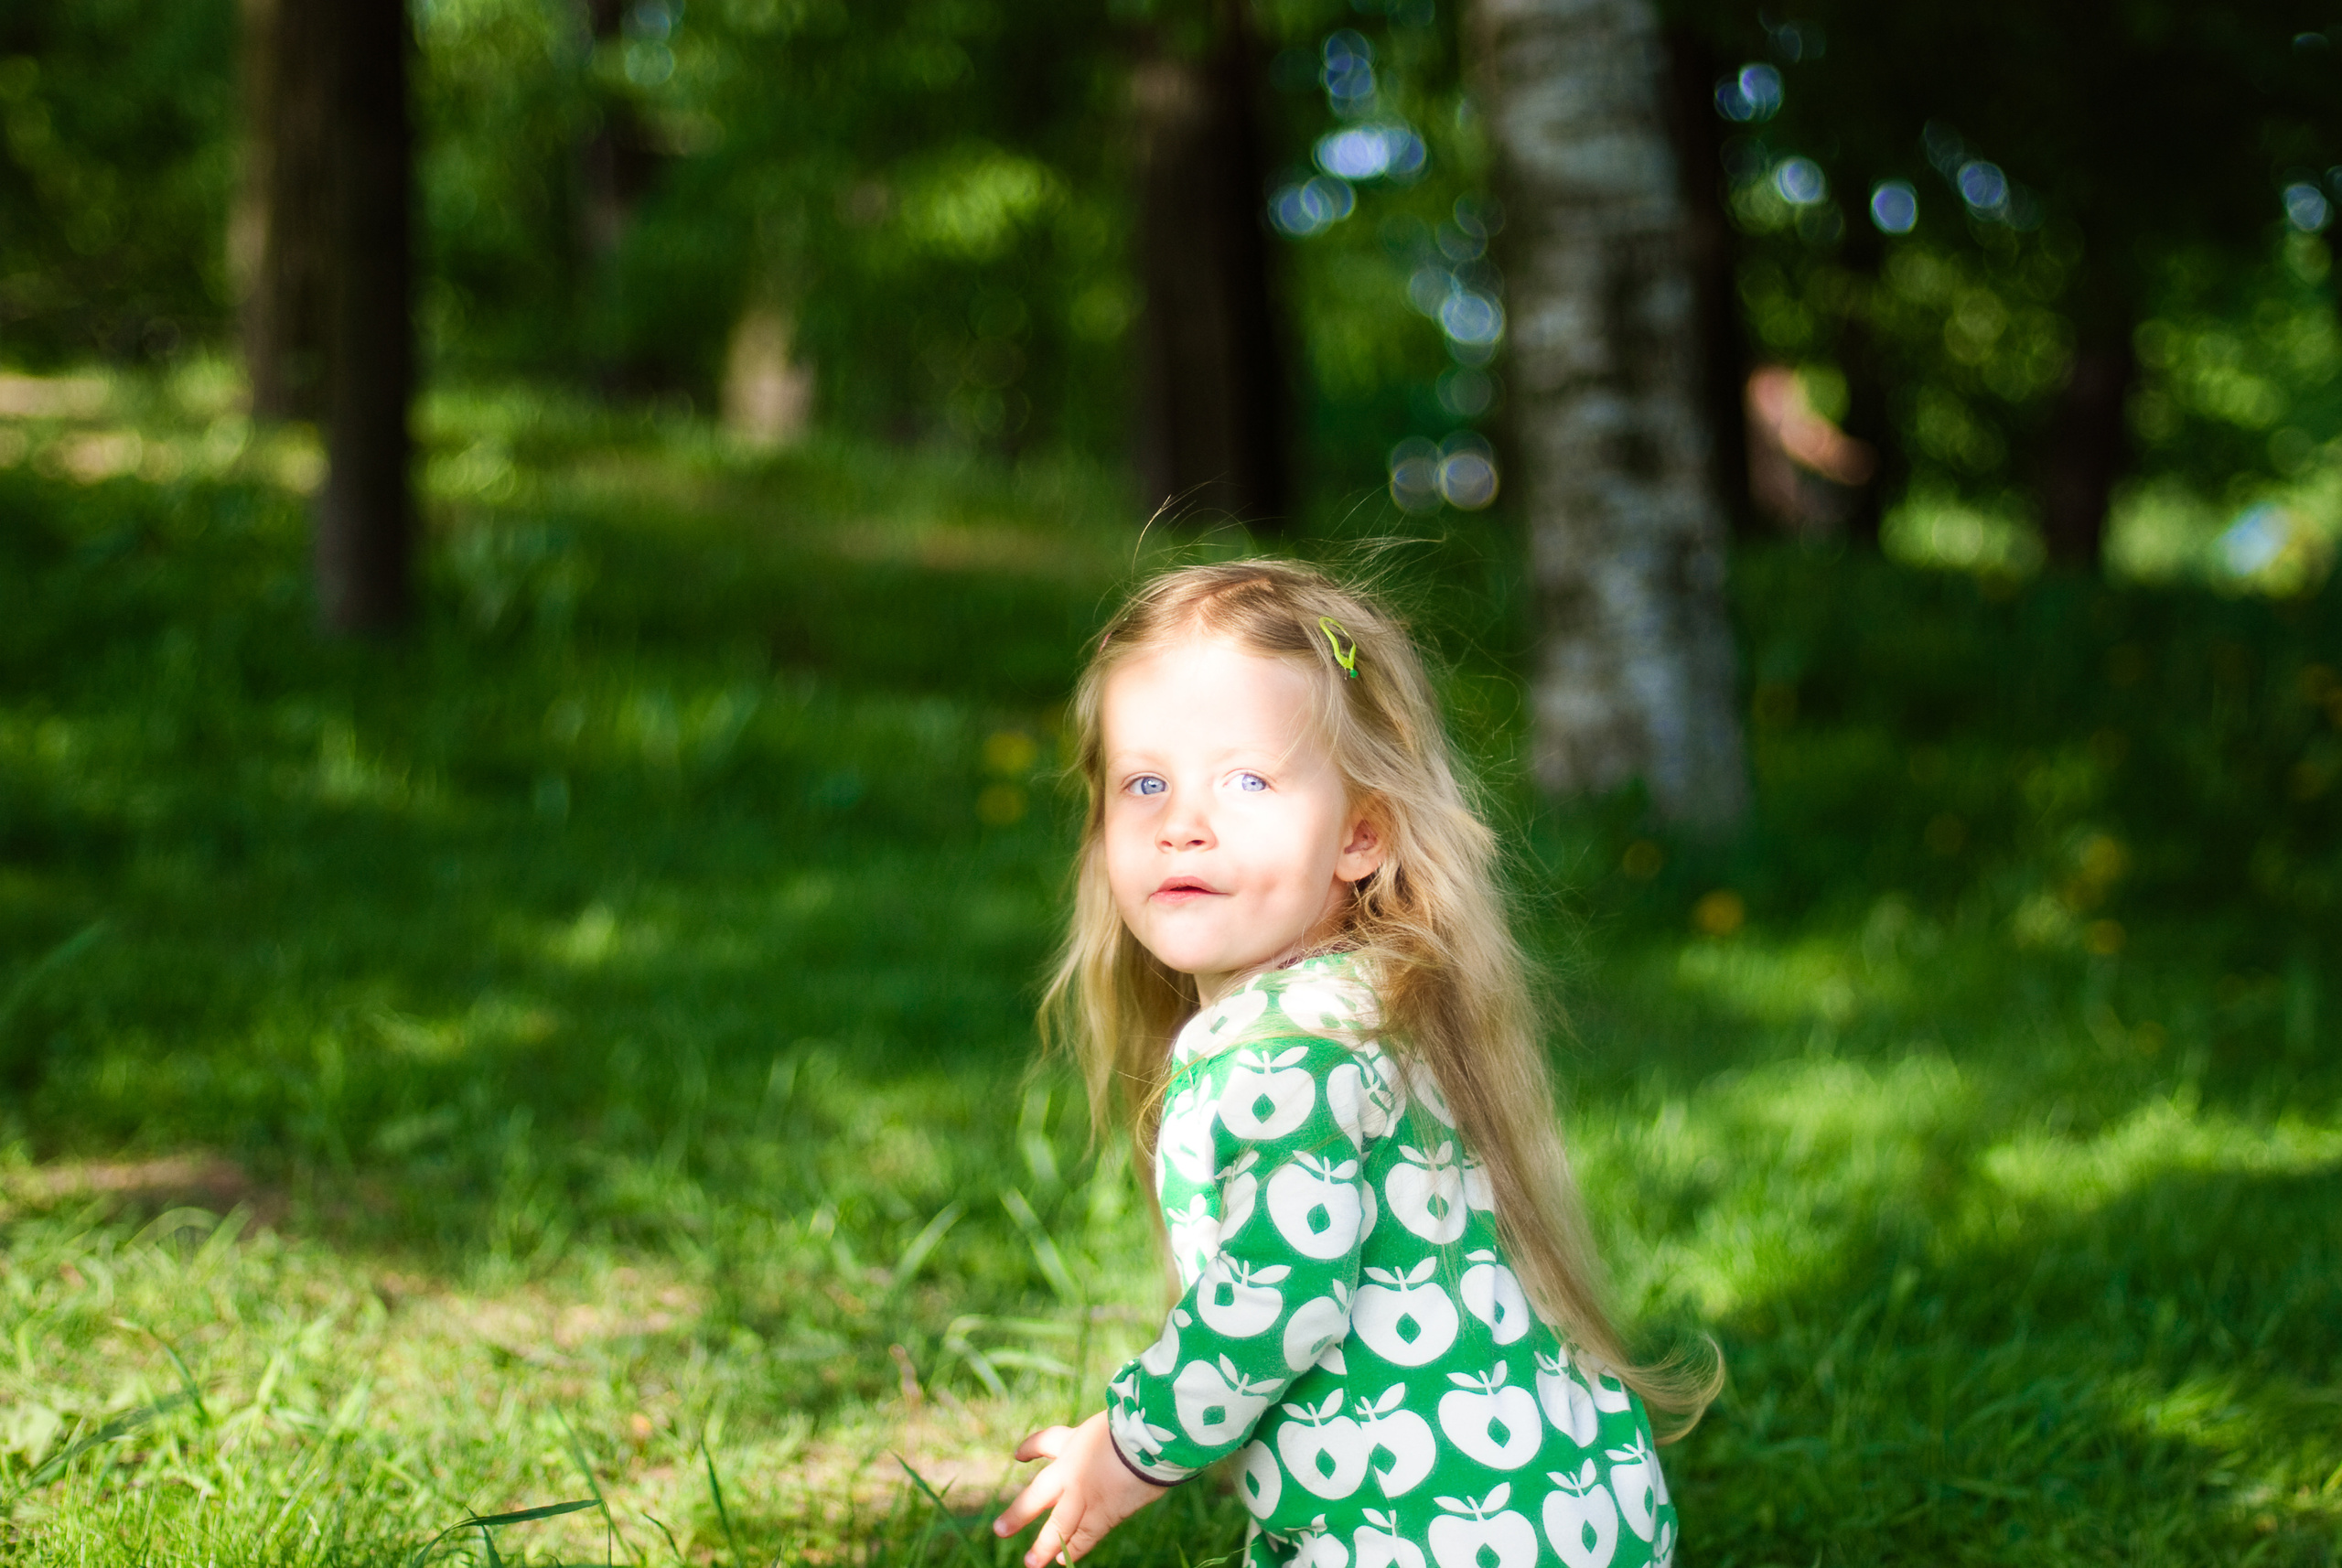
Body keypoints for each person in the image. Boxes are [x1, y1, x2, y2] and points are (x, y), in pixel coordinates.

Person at [991, 561, 1714, 1568]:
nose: (1182, 821)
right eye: (1144, 781)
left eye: (1245, 779)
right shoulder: (1369, 1004)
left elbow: (1274, 1304)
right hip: (1554, 1504)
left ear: (1361, 835)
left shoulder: (1288, 1057)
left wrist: (1121, 1451)